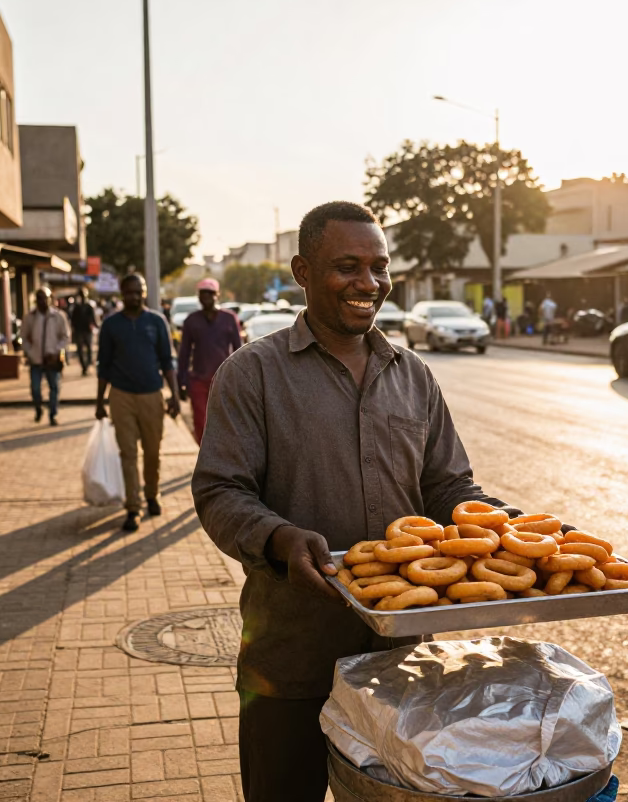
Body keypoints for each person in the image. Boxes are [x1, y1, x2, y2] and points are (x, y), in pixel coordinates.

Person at [190, 201, 522, 802]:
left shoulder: (414, 375)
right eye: (348, 266)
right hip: (288, 658)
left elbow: (449, 488)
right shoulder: (253, 374)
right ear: (302, 271)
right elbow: (219, 490)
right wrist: (278, 537)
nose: (369, 283)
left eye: (379, 266)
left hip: (398, 663)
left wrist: (508, 523)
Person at [96, 273, 181, 532]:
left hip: (151, 395)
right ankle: (133, 508)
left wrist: (175, 396)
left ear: (144, 292)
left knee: (153, 452)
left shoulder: (156, 322)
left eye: (138, 292)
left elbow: (167, 362)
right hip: (121, 396)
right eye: (129, 292)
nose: (134, 296)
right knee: (128, 453)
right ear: (122, 294)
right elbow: (104, 366)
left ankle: (152, 494)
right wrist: (99, 401)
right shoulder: (111, 325)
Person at [176, 277, 242, 444]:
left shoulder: (229, 319)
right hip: (198, 379)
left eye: (210, 293)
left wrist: (241, 380)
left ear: (217, 295)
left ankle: (222, 458)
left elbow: (239, 350)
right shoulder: (191, 321)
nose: (206, 296)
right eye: (203, 293)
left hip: (224, 380)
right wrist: (181, 381)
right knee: (200, 421)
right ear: (198, 297)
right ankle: (206, 459)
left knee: (224, 421)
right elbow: (184, 353)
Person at [21, 287, 70, 426]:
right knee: (35, 388)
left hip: (52, 359)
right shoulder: (30, 317)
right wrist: (30, 351)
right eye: (39, 298)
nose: (42, 301)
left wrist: (56, 350)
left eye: (45, 298)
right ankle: (38, 409)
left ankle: (53, 414)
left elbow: (66, 337)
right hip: (36, 359)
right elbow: (23, 337)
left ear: (50, 299)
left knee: (54, 387)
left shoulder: (59, 316)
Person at [69, 289, 98, 375]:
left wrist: (93, 325)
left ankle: (88, 364)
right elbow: (73, 320)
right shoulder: (76, 307)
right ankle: (84, 366)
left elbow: (93, 318)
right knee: (80, 350)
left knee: (89, 348)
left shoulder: (89, 306)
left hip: (87, 331)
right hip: (79, 331)